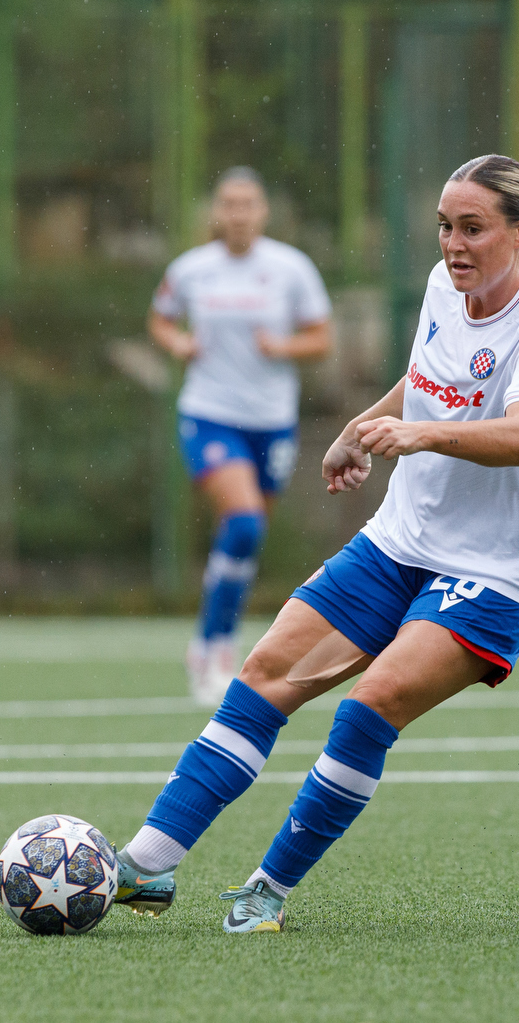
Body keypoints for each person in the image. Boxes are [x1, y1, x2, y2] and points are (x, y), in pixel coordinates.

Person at [114, 154, 519, 932]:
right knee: (265, 673)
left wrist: (419, 434)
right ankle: (147, 866)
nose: (453, 244)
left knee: (366, 710)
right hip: (398, 541)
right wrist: (362, 428)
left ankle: (267, 890)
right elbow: (424, 374)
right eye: (443, 226)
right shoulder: (444, 288)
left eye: (472, 228)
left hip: (493, 571)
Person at [149, 167, 333, 703]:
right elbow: (160, 320)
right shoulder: (191, 270)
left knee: (245, 540)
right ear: (216, 212)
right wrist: (177, 344)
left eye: (248, 203)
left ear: (263, 212)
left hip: (272, 419)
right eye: (228, 203)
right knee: (245, 521)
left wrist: (283, 348)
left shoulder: (289, 268)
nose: (238, 213)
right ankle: (214, 645)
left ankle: (213, 632)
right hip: (210, 413)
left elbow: (321, 338)